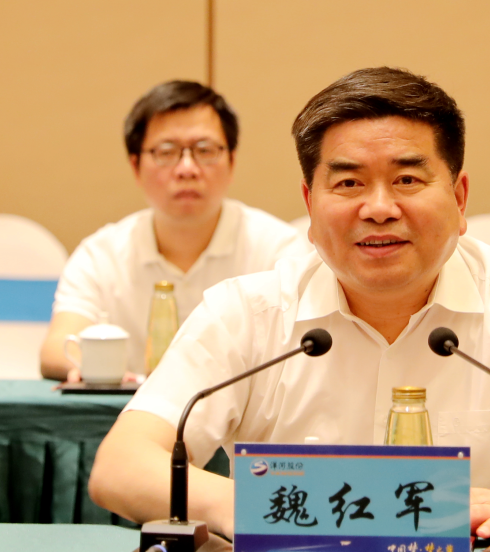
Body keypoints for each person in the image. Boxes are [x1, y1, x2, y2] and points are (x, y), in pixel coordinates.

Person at [89, 67, 490, 540]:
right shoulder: (248, 314)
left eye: (408, 180)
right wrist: (242, 505)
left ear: (460, 197)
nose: (380, 208)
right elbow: (121, 465)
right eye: (349, 184)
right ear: (310, 206)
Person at [39, 80, 310, 381]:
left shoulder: (278, 250)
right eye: (166, 152)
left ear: (232, 161)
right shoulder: (101, 255)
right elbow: (57, 348)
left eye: (205, 150)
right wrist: (95, 371)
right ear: (135, 166)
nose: (187, 169)